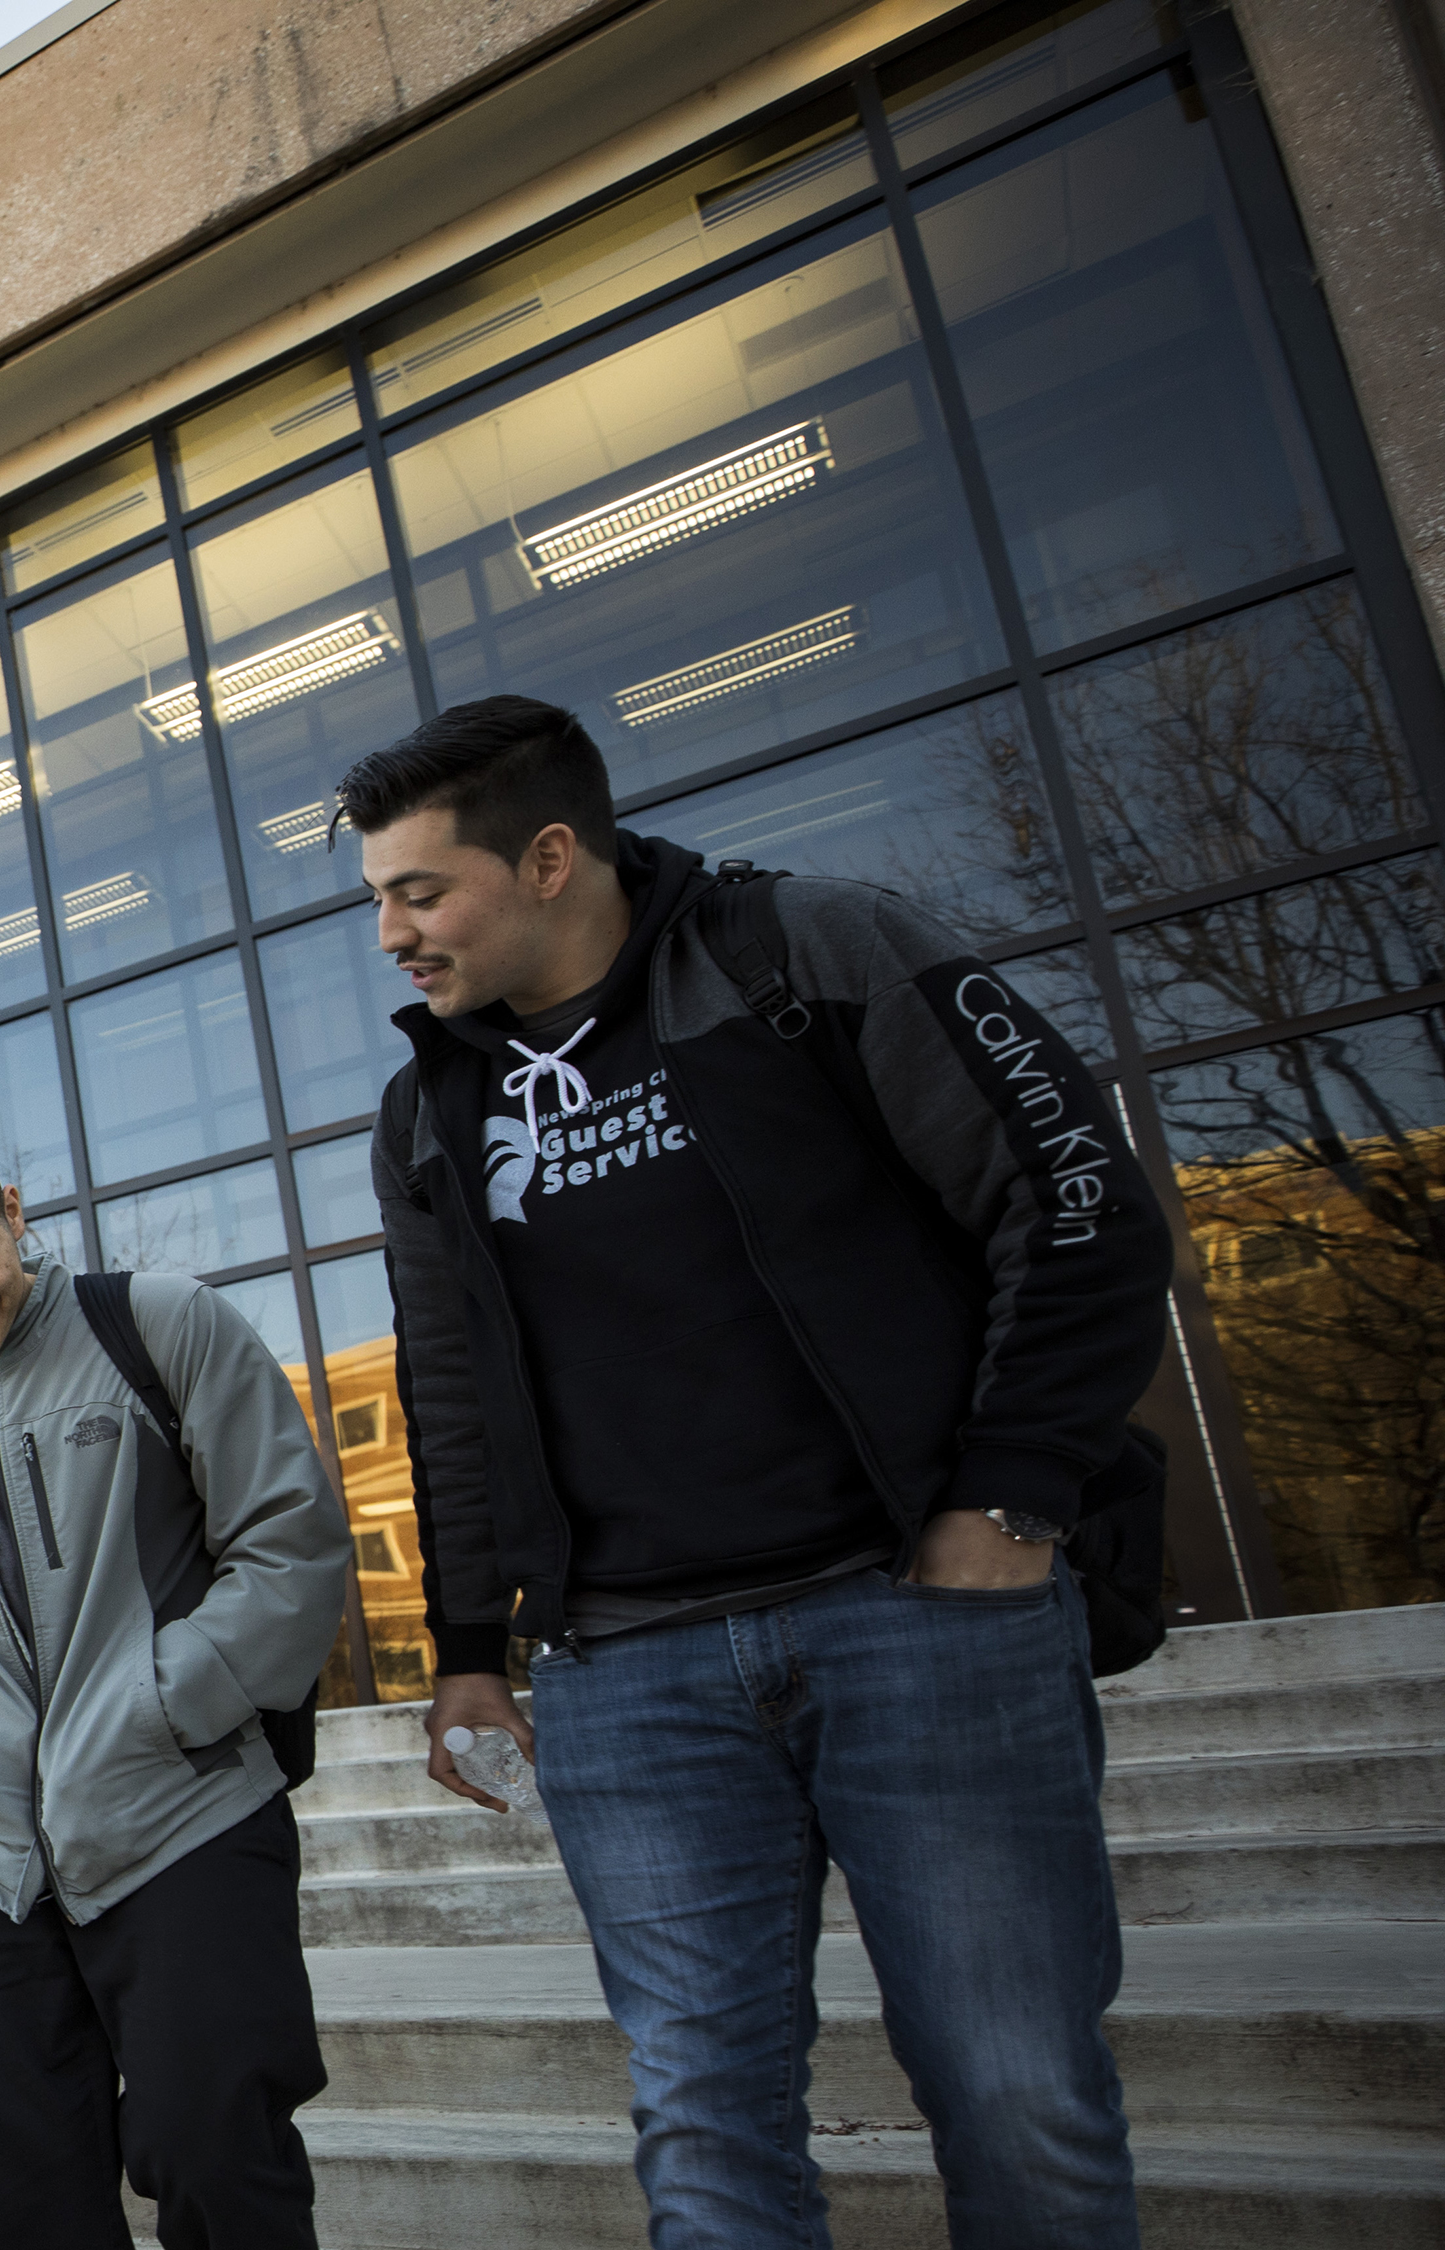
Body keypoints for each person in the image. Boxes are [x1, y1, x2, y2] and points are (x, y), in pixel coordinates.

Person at [348, 695, 1174, 2247]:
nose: (391, 933)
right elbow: (447, 1389)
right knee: (704, 2123)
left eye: (418, 888)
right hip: (630, 1675)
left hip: (914, 1617)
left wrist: (1010, 1493)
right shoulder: (428, 1113)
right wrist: (465, 1645)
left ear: (547, 856)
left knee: (1020, 2092)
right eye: (377, 896)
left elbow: (1078, 1206)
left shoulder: (810, 953)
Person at [0, 1115, 353, 2248]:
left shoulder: (162, 1324)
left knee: (219, 2166)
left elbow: (289, 1545)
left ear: (12, 1207)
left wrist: (166, 1705)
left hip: (182, 1811)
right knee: (15, 2210)